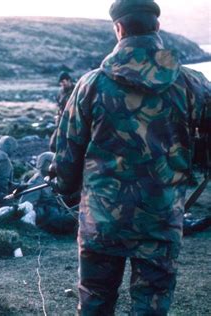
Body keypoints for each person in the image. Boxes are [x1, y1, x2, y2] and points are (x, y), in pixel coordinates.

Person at [52, 0, 211, 314]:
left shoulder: (90, 85)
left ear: (119, 29)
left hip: (101, 219)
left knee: (96, 300)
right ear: (157, 28)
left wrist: (68, 191)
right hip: (161, 217)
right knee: (151, 304)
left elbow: (66, 152)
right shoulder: (192, 83)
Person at [19, 152, 76, 234]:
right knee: (64, 220)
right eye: (51, 163)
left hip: (56, 209)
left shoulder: (51, 178)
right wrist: (45, 210)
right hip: (47, 214)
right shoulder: (36, 181)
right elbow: (26, 205)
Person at [49, 72, 75, 152]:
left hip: (74, 121)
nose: (62, 84)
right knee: (53, 144)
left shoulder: (77, 90)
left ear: (69, 80)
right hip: (62, 120)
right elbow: (59, 105)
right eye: (61, 83)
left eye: (63, 82)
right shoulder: (61, 92)